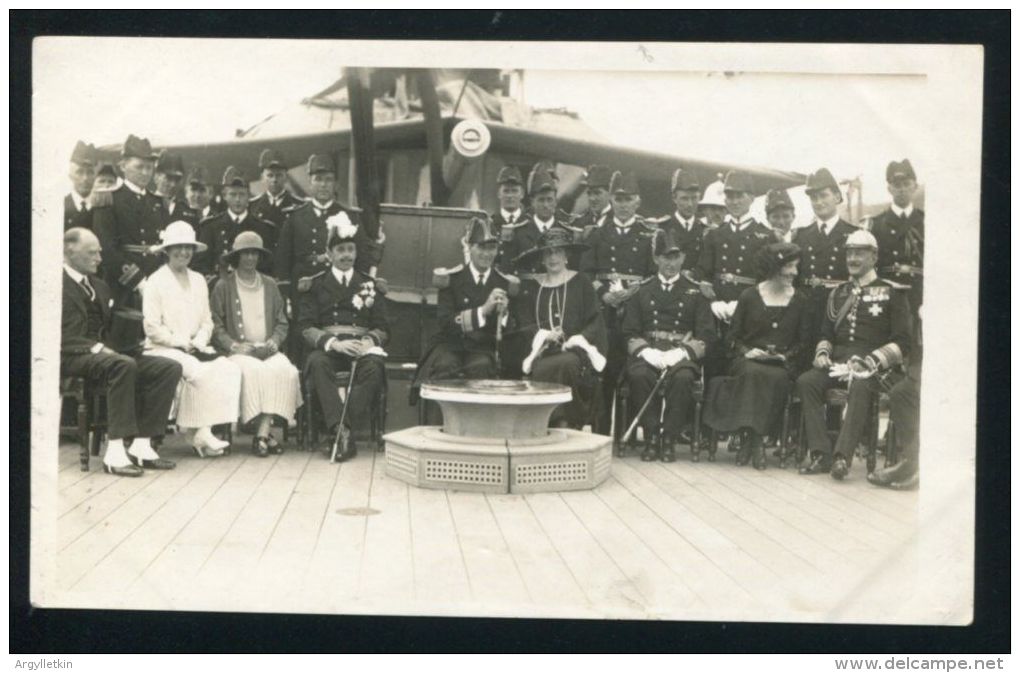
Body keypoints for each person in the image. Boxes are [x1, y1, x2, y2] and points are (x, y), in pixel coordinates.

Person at [61, 228, 182, 477]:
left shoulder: (100, 285)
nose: (99, 258)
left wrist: (131, 341)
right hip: (71, 355)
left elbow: (110, 327)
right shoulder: (51, 284)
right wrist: (97, 348)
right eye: (92, 253)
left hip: (105, 355)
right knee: (122, 365)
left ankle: (142, 445)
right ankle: (115, 453)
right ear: (69, 252)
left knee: (168, 367)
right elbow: (50, 332)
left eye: (99, 253)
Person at [796, 230, 913, 480]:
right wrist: (823, 354)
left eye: (859, 253)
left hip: (873, 367)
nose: (853, 259)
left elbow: (903, 341)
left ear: (874, 257)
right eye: (849, 253)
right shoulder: (838, 292)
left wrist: (871, 362)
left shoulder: (892, 292)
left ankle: (842, 457)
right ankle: (820, 453)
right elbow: (826, 332)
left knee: (861, 386)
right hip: (837, 364)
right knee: (807, 381)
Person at [703, 242, 812, 468]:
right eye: (789, 266)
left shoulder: (800, 299)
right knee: (752, 372)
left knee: (773, 377)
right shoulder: (749, 296)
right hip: (747, 359)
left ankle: (750, 442)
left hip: (782, 364)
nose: (795, 272)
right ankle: (756, 442)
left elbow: (804, 342)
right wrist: (747, 351)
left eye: (796, 267)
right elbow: (732, 338)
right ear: (774, 267)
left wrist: (786, 356)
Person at [141, 221, 242, 457]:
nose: (184, 252)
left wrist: (199, 340)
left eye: (188, 247)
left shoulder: (198, 279)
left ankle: (204, 431)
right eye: (178, 247)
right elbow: (152, 327)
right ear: (167, 250)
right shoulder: (155, 281)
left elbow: (207, 320)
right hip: (162, 349)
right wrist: (180, 342)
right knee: (200, 371)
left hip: (195, 346)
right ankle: (199, 433)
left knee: (229, 369)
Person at [298, 222, 389, 462]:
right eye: (340, 250)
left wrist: (370, 340)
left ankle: (340, 430)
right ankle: (342, 431)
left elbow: (384, 326)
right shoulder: (315, 284)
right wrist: (334, 343)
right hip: (331, 347)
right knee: (317, 363)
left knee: (374, 367)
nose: (346, 255)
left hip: (361, 347)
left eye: (350, 249)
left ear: (356, 253)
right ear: (329, 254)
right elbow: (306, 327)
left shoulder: (370, 284)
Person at [622, 229, 715, 462]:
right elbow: (629, 331)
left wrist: (683, 352)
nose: (670, 263)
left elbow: (707, 334)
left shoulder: (696, 292)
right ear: (655, 259)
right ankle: (652, 436)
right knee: (640, 375)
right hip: (649, 351)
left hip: (680, 354)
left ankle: (669, 438)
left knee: (683, 379)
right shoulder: (641, 290)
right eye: (665, 257)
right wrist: (646, 352)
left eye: (675, 257)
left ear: (683, 258)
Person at [413, 216, 516, 423]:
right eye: (481, 247)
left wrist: (503, 315)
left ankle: (476, 432)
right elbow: (445, 323)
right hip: (449, 345)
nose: (487, 254)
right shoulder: (452, 279)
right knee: (444, 366)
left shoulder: (503, 282)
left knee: (480, 367)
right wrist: (484, 311)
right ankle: (436, 430)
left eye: (492, 248)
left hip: (481, 347)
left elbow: (510, 330)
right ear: (469, 247)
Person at [580, 170, 658, 436]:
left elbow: (653, 275)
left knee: (635, 370)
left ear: (638, 202)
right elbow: (586, 272)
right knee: (605, 371)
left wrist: (633, 294)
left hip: (636, 312)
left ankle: (632, 435)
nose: (623, 205)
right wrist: (603, 293)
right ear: (611, 201)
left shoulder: (649, 235)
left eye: (629, 199)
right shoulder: (597, 234)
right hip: (604, 311)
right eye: (619, 199)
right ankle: (603, 434)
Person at [210, 232, 301, 457]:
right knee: (255, 371)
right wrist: (233, 345)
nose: (250, 258)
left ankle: (262, 433)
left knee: (285, 371)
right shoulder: (224, 286)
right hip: (239, 351)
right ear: (236, 257)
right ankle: (261, 434)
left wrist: (274, 341)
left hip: (266, 347)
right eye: (245, 253)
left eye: (254, 253)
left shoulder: (270, 285)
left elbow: (282, 321)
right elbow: (215, 323)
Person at [514, 228, 607, 430]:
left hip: (575, 351)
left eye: (558, 252)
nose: (553, 257)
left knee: (566, 364)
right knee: (543, 367)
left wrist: (576, 340)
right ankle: (544, 422)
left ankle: (566, 422)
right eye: (548, 253)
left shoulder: (581, 282)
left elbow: (595, 321)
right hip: (541, 351)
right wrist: (545, 336)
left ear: (567, 256)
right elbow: (525, 322)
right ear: (542, 258)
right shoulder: (532, 286)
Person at [93, 134, 169, 352]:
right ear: (123, 166)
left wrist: (157, 282)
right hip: (122, 286)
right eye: (139, 166)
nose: (145, 172)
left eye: (149, 167)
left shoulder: (157, 203)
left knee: (155, 346)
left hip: (155, 281)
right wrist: (139, 281)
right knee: (122, 346)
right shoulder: (109, 199)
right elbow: (106, 249)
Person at [792, 168, 858, 342]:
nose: (818, 202)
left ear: (837, 197)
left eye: (823, 195)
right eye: (814, 197)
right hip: (806, 310)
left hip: (839, 307)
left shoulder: (854, 234)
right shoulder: (800, 236)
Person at [499, 162, 583, 278]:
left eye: (549, 200)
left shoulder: (567, 233)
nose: (546, 205)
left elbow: (575, 272)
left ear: (555, 202)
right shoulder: (518, 233)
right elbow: (506, 270)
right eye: (541, 200)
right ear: (532, 202)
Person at [868, 159, 924, 323]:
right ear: (889, 189)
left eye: (907, 184)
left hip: (920, 293)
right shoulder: (876, 224)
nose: (902, 189)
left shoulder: (927, 221)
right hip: (887, 293)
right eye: (897, 185)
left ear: (915, 186)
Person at [196, 166, 277, 281]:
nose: (238, 200)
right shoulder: (211, 227)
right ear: (224, 196)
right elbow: (202, 264)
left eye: (242, 194)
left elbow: (268, 266)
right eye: (233, 195)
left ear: (249, 196)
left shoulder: (262, 228)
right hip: (221, 288)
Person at [651, 168, 706, 272]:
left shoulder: (705, 231)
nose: (690, 204)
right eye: (684, 198)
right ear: (674, 198)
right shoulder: (662, 228)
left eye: (694, 198)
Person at [249, 149, 303, 227]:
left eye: (279, 175)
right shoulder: (252, 207)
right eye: (270, 175)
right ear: (262, 177)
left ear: (286, 177)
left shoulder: (300, 206)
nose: (274, 180)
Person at [574, 164, 614, 240]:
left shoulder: (618, 220)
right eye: (589, 193)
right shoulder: (580, 222)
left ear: (609, 193)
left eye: (597, 193)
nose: (592, 198)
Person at [64, 141, 97, 231]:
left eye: (90, 172)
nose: (85, 178)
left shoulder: (102, 208)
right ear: (70, 176)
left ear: (96, 176)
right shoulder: (61, 206)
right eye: (79, 172)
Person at [154, 151, 188, 222]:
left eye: (177, 179)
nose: (173, 184)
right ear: (156, 177)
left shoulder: (187, 211)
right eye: (168, 178)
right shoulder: (144, 206)